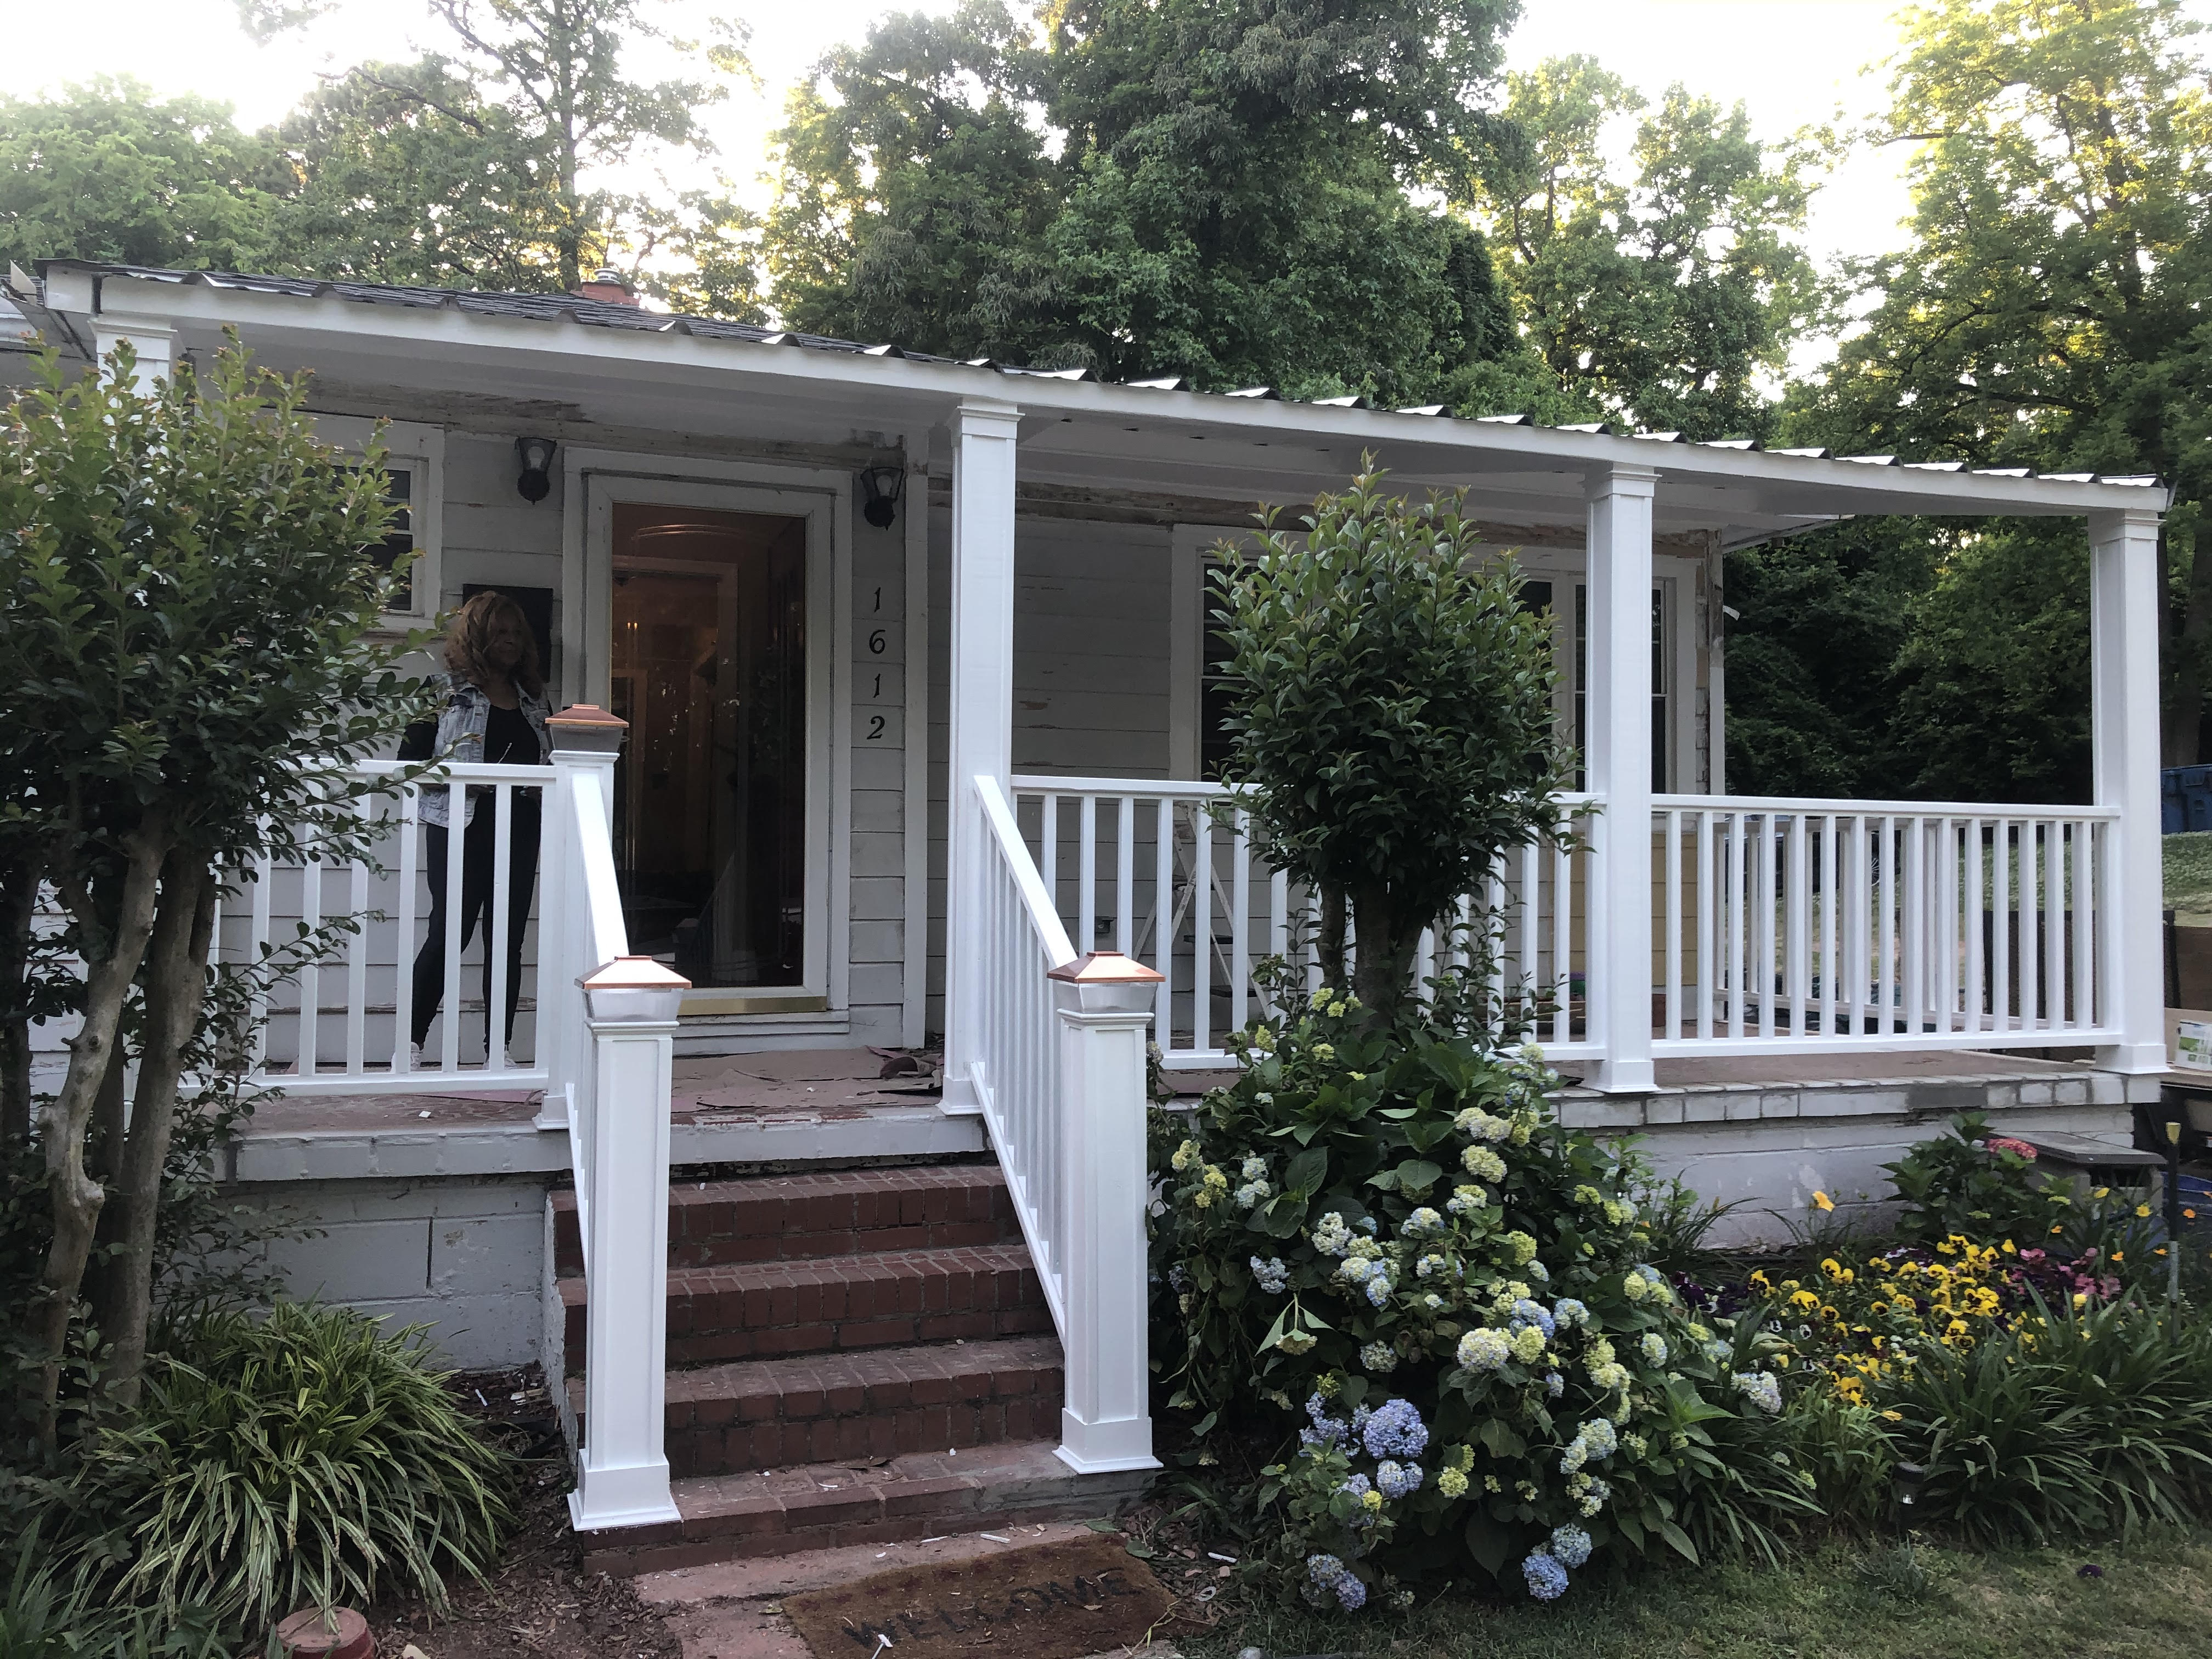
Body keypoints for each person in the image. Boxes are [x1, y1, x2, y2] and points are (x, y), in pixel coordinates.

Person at [398, 591, 551, 1062]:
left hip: (520, 827)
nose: (510, 642)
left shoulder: (534, 699)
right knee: (450, 932)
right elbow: (411, 764)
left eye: (516, 634)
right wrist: (465, 780)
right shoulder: (442, 690)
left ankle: (497, 1050)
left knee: (506, 940)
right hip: (460, 824)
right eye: (500, 632)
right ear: (477, 637)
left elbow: (550, 763)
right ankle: (410, 1044)